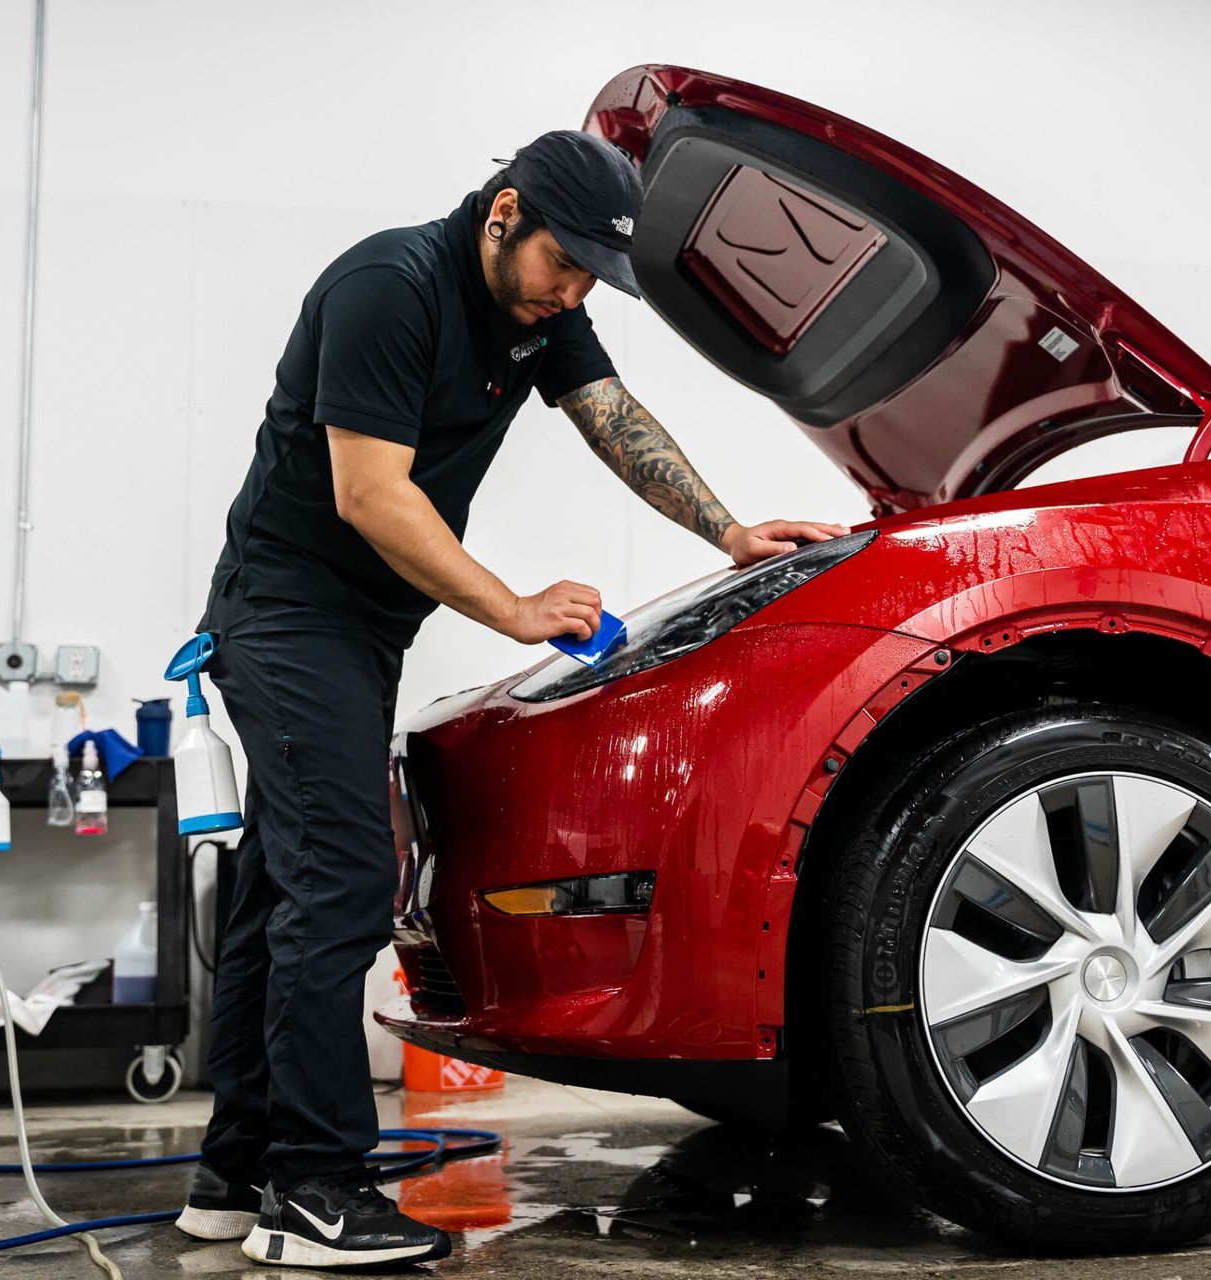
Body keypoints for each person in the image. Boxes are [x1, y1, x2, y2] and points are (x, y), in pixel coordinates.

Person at [175, 128, 848, 1269]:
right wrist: (515, 608)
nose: (573, 290)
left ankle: (236, 1174)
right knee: (340, 878)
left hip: (359, 629)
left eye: (592, 275)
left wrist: (729, 529)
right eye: (564, 263)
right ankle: (315, 1190)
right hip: (287, 613)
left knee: (280, 888)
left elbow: (612, 417)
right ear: (503, 216)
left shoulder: (537, 312)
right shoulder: (386, 288)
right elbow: (369, 495)